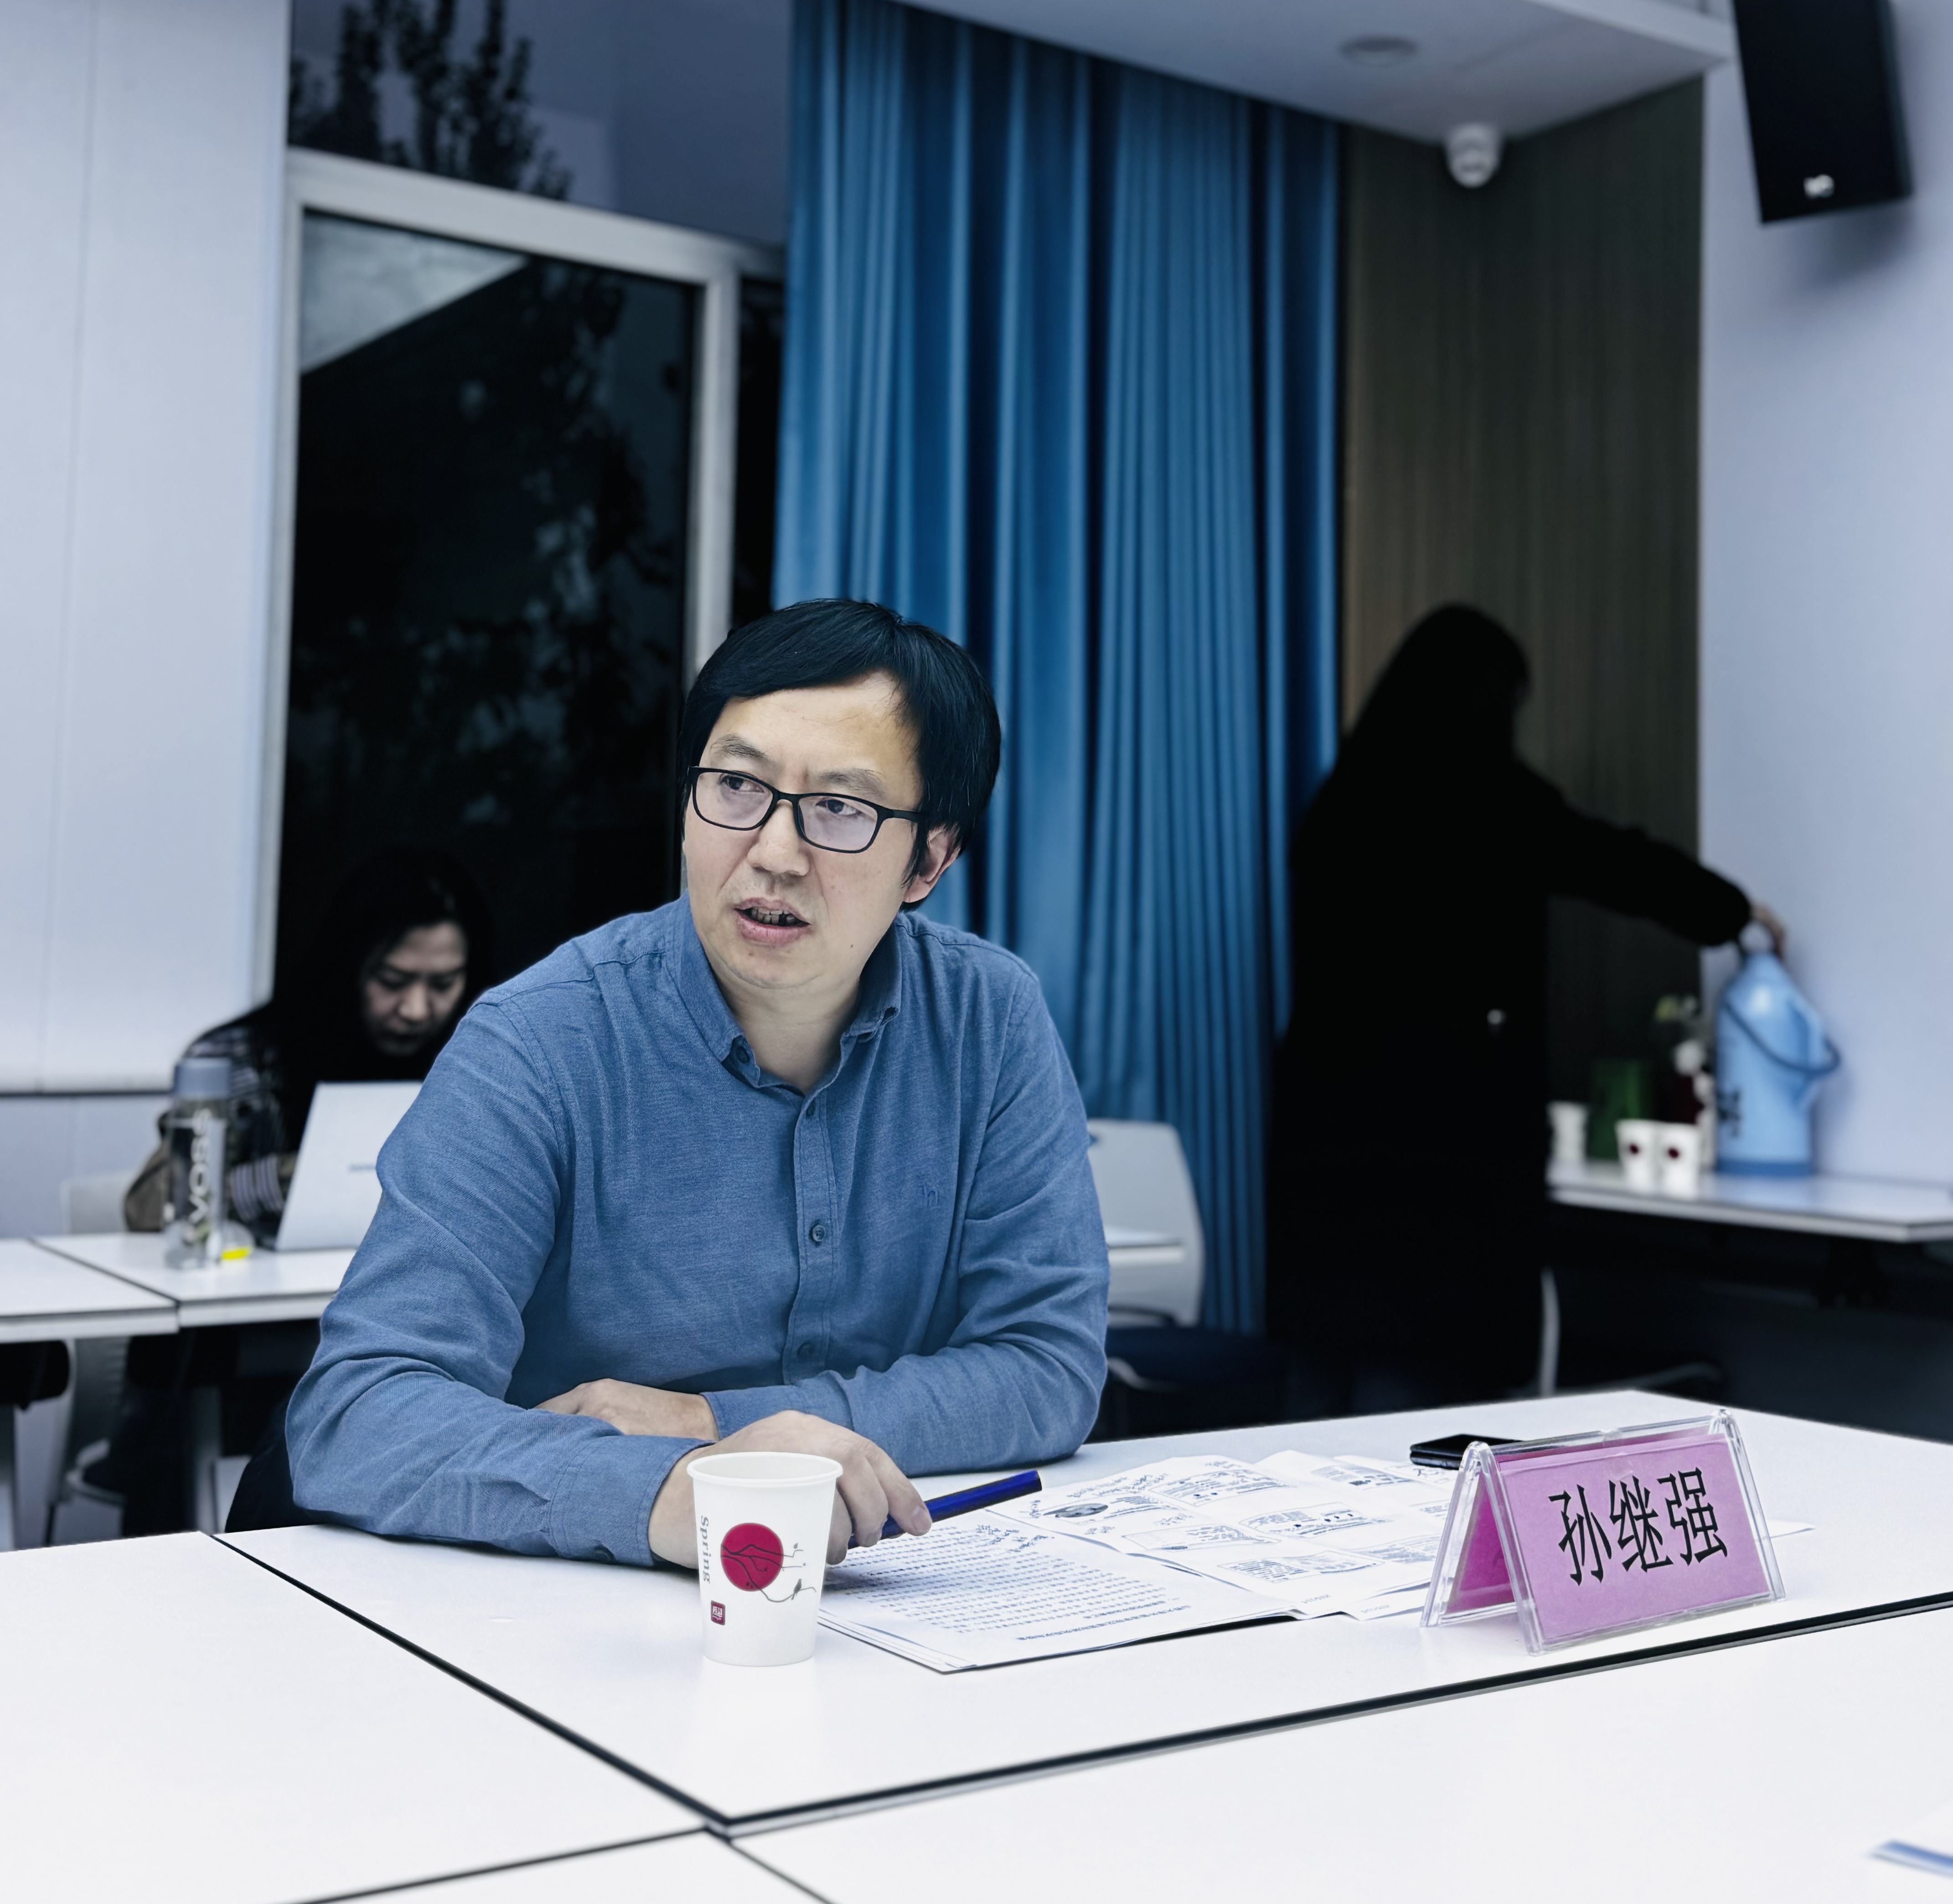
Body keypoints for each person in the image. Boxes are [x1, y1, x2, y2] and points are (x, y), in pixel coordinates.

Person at [285, 599, 1109, 1570]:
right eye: (736, 787)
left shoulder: (988, 1018)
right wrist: (674, 1487)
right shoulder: (539, 1042)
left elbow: (1046, 1365)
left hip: (894, 1587)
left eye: (839, 809)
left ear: (929, 859)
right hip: (554, 1600)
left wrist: (713, 1424)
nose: (773, 853)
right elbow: (358, 1413)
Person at [1266, 605, 1781, 1412]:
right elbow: (1615, 862)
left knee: (1322, 1390)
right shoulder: (1489, 798)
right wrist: (1734, 912)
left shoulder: (1341, 803)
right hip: (1437, 1152)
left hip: (1327, 1143)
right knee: (1417, 1400)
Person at [102, 849, 491, 1535]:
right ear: (348, 967)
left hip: (399, 1344)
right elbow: (150, 1204)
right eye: (392, 981)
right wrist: (291, 1175)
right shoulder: (243, 1060)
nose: (416, 1008)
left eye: (443, 984)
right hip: (243, 1357)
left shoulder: (476, 1062)